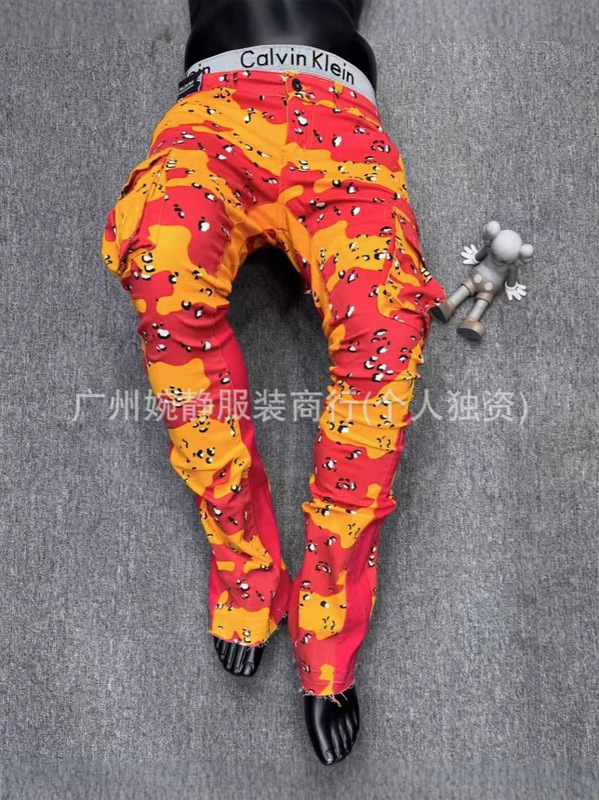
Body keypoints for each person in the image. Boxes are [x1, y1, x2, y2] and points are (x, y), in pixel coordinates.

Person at [101, 0, 446, 766]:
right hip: (213, 115)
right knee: (162, 276)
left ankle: (326, 621)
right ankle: (245, 564)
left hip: (340, 122)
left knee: (388, 329)